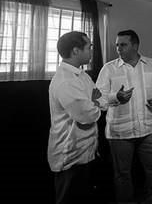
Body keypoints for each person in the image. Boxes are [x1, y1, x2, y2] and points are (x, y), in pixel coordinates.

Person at [96, 29, 152, 204]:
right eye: (117, 45)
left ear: (135, 45)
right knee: (122, 174)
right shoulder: (109, 68)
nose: (118, 49)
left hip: (148, 127)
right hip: (120, 131)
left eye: (123, 45)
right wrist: (116, 97)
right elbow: (98, 98)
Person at [48, 31, 105, 204]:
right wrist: (94, 103)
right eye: (89, 47)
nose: (91, 50)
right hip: (70, 156)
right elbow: (88, 116)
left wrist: (94, 102)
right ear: (75, 51)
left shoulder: (82, 76)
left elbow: (100, 100)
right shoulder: (66, 81)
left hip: (85, 152)